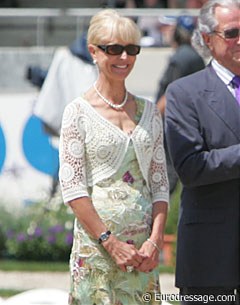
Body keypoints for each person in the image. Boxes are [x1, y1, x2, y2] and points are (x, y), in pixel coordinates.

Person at [59, 8, 169, 305]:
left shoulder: (149, 112)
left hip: (142, 254)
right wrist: (110, 242)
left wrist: (155, 242)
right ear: (94, 52)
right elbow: (72, 188)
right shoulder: (77, 112)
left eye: (131, 49)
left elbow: (159, 184)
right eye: (114, 49)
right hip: (97, 251)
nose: (124, 58)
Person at [165, 0, 240, 303]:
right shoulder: (185, 93)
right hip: (211, 256)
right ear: (208, 39)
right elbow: (191, 167)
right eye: (233, 32)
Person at [155, 15, 205, 194]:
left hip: (171, 125)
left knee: (166, 179)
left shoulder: (182, 58)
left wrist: (150, 120)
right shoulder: (194, 57)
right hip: (186, 124)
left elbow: (171, 94)